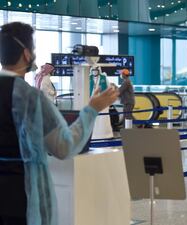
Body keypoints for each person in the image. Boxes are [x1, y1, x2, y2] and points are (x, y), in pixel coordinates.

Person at [0, 21, 119, 225]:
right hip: (22, 202)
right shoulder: (30, 98)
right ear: (27, 54)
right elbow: (64, 146)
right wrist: (92, 110)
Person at [89, 66, 114, 139]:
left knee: (103, 118)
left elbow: (109, 88)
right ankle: (94, 135)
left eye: (96, 70)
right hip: (92, 101)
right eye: (93, 70)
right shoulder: (89, 78)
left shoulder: (104, 78)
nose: (94, 71)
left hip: (103, 101)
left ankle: (105, 134)